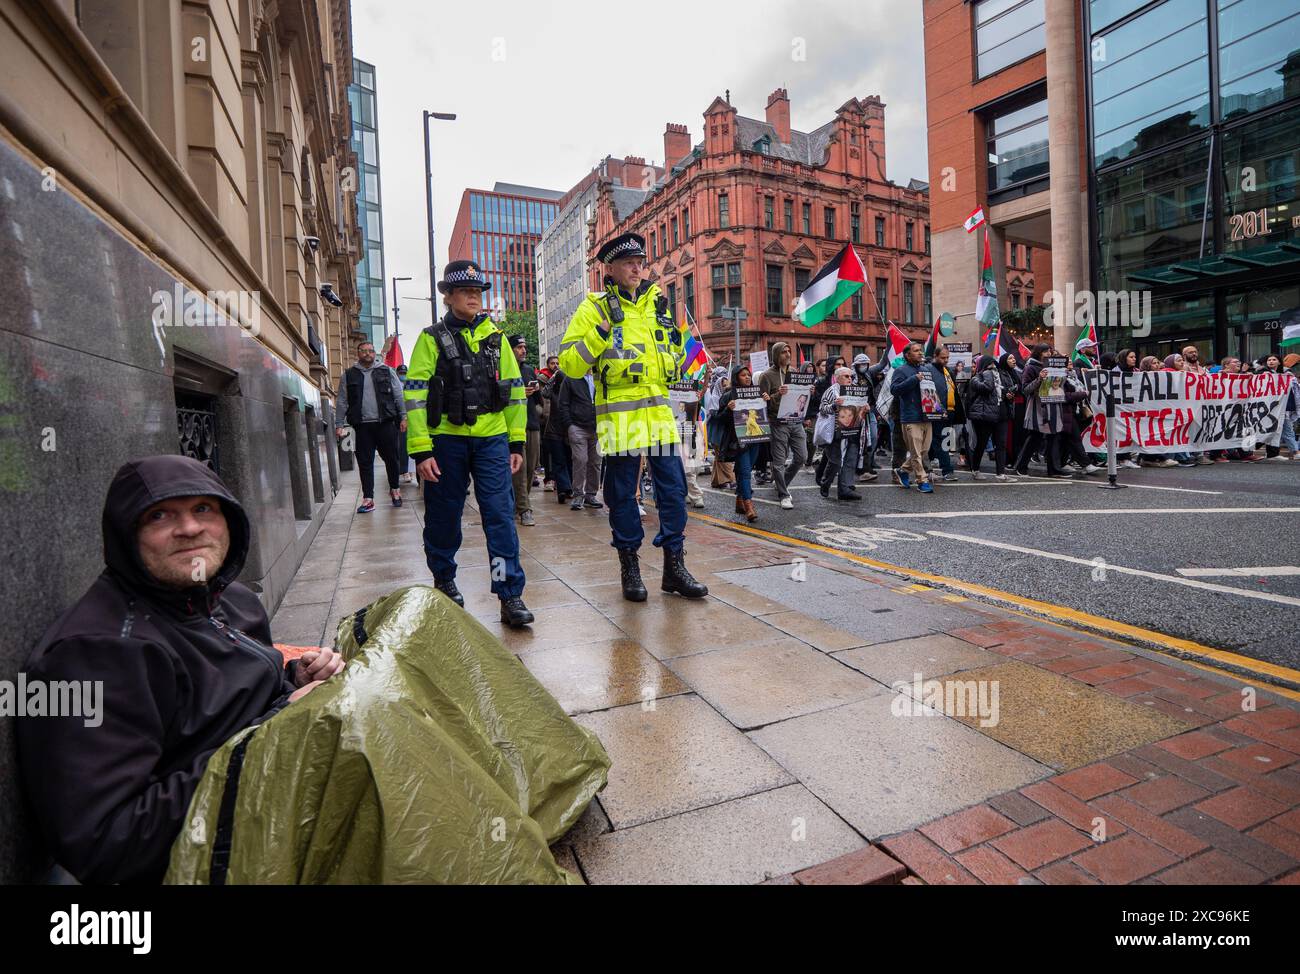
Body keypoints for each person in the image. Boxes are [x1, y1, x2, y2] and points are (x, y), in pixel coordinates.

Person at [18, 455, 345, 884]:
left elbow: (233, 704)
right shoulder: (94, 657)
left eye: (203, 509)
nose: (190, 528)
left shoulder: (229, 601)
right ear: (125, 536)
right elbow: (108, 842)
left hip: (278, 807)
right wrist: (280, 728)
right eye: (160, 515)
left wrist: (295, 681)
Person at [556, 232, 707, 603]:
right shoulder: (594, 307)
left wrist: (678, 367)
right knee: (622, 494)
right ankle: (630, 566)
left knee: (674, 491)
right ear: (610, 268)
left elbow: (672, 353)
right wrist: (603, 329)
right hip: (621, 419)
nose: (637, 267)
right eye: (628, 262)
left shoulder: (658, 304)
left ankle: (674, 567)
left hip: (658, 415)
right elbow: (570, 365)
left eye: (640, 261)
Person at [405, 259, 534, 627]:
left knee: (499, 516)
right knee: (444, 517)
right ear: (448, 297)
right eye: (466, 291)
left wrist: (516, 442)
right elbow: (414, 395)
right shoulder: (431, 339)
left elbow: (515, 393)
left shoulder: (497, 339)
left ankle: (509, 593)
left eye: (478, 291)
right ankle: (444, 580)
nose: (474, 296)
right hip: (446, 441)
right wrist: (421, 449)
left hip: (492, 440)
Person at [335, 340, 407, 513]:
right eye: (363, 351)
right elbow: (342, 401)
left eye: (370, 351)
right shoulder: (349, 374)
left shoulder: (387, 371)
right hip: (361, 427)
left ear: (374, 353)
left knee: (392, 458)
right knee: (365, 462)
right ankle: (368, 498)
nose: (367, 353)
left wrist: (403, 416)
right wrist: (338, 424)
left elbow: (398, 395)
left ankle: (395, 490)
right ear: (358, 354)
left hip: (385, 424)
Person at [758, 342, 808, 509]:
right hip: (777, 423)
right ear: (776, 355)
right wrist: (778, 394)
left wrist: (809, 392)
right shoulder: (766, 376)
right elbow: (763, 402)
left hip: (795, 420)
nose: (787, 354)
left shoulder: (794, 372)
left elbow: (800, 396)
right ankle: (783, 494)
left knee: (802, 457)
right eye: (783, 352)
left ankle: (782, 483)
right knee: (779, 461)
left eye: (789, 351)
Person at [717, 364, 765, 521]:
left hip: (755, 438)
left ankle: (739, 500)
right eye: (743, 375)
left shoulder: (757, 393)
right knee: (744, 471)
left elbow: (763, 415)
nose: (747, 377)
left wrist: (767, 401)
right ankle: (749, 505)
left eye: (748, 375)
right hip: (738, 440)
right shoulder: (728, 395)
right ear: (736, 377)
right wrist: (728, 409)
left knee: (746, 469)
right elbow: (718, 419)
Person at [1014, 343, 1068, 477]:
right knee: (1035, 438)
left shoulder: (1053, 366)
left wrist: (1064, 375)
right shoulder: (1030, 367)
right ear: (1038, 352)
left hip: (1053, 405)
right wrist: (1039, 378)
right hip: (1038, 407)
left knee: (1054, 437)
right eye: (1046, 352)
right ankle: (1021, 467)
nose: (1049, 354)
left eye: (1050, 351)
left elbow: (1059, 386)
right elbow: (1025, 389)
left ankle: (1054, 469)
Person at [890, 342, 937, 493]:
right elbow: (894, 390)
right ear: (907, 355)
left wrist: (937, 409)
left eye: (921, 351)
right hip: (911, 417)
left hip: (927, 415)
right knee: (916, 453)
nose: (920, 353)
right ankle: (921, 481)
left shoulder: (925, 369)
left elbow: (931, 392)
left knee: (924, 451)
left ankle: (903, 470)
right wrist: (913, 380)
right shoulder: (901, 370)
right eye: (916, 351)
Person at [508, 333, 544, 527]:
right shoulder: (503, 370)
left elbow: (539, 401)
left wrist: (537, 407)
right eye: (519, 347)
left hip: (532, 424)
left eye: (524, 347)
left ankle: (519, 504)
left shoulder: (529, 370)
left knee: (531, 469)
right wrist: (519, 393)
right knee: (519, 470)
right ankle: (525, 509)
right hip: (513, 427)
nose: (523, 351)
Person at [966, 353, 1018, 481]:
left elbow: (1007, 389)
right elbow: (987, 388)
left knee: (1001, 444)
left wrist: (1008, 394)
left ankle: (1001, 473)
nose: (993, 367)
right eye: (990, 365)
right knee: (981, 444)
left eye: (994, 364)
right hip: (986, 416)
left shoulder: (1002, 374)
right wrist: (989, 374)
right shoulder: (977, 377)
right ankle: (976, 469)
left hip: (1002, 413)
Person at [558, 368, 602, 511]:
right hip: (577, 426)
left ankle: (591, 494)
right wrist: (569, 425)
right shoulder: (571, 378)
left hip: (597, 427)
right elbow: (563, 403)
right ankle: (578, 494)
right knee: (580, 460)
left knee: (596, 462)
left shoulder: (599, 377)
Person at [818, 365, 863, 500]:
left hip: (851, 430)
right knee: (836, 462)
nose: (850, 379)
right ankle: (825, 483)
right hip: (834, 432)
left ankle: (844, 490)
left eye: (851, 376)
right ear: (837, 378)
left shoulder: (853, 390)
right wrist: (834, 406)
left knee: (849, 460)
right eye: (846, 376)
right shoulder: (831, 391)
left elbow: (857, 409)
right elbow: (822, 409)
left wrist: (864, 407)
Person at [541, 364, 574, 503]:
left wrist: (553, 377)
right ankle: (568, 488)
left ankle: (563, 489)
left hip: (554, 433)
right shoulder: (570, 395)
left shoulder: (553, 392)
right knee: (568, 461)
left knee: (559, 462)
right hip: (566, 432)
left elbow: (545, 392)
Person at [927, 346, 960, 481]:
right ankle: (947, 470)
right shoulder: (929, 369)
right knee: (940, 441)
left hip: (949, 411)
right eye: (943, 358)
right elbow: (928, 392)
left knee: (942, 440)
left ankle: (930, 464)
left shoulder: (948, 371)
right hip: (937, 412)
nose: (946, 360)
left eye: (947, 357)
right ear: (935, 356)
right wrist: (939, 409)